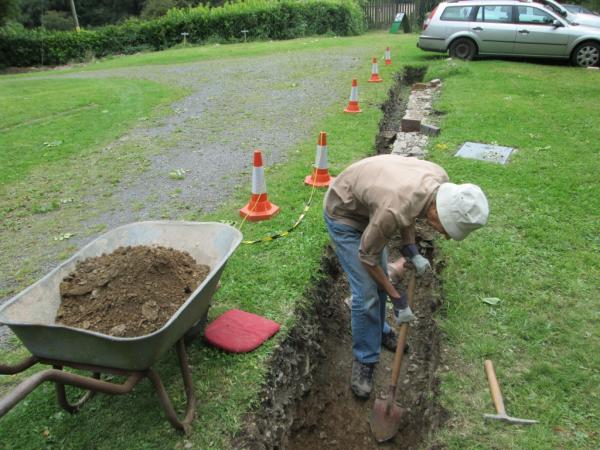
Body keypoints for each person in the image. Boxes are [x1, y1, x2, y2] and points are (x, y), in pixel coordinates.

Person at [323, 155, 489, 398]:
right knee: (367, 292)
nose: (444, 236)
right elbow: (367, 256)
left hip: (374, 208)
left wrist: (410, 248)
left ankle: (377, 330)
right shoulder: (392, 210)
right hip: (344, 213)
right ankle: (365, 358)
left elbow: (411, 208)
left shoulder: (438, 181)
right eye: (445, 229)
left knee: (379, 282)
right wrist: (397, 299)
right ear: (436, 212)